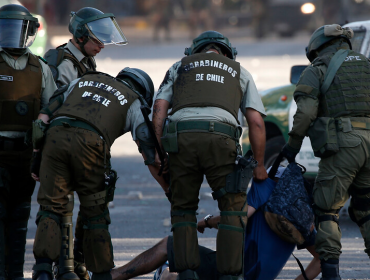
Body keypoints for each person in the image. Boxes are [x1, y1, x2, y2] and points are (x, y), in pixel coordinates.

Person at [31, 68, 169, 280]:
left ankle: (42, 271)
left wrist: (36, 159)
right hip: (90, 143)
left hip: (55, 137)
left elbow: (43, 118)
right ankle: (101, 275)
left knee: (51, 207)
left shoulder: (84, 81)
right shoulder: (134, 101)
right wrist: (169, 190)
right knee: (95, 214)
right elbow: (151, 156)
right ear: (144, 93)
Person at [152, 30, 268, 280]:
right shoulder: (238, 71)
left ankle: (186, 274)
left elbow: (159, 108)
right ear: (227, 53)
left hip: (181, 139)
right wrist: (258, 165)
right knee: (232, 209)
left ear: (195, 52)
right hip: (222, 139)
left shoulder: (178, 67)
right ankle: (229, 276)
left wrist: (161, 151)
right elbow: (256, 123)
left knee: (182, 208)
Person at [108, 167, 321, 280]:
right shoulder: (303, 216)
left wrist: (208, 222)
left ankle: (114, 276)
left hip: (230, 270)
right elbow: (322, 258)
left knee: (170, 248)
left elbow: (237, 216)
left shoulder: (267, 187)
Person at [43, 7, 128, 279]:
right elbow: (54, 106)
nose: (102, 45)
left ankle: (77, 263)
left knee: (90, 202)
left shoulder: (85, 60)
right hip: (58, 139)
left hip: (75, 139)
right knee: (60, 206)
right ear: (80, 37)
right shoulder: (60, 62)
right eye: (96, 39)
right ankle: (61, 267)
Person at [281, 24, 370, 280]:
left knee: (327, 209)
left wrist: (292, 146)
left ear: (317, 47)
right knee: (366, 208)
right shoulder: (366, 64)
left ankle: (331, 275)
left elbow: (306, 113)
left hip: (344, 145)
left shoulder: (317, 69)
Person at [0, 4, 58, 280]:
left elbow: (52, 109)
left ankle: (14, 274)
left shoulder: (41, 68)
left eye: (18, 30)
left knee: (20, 217)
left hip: (26, 154)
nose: (12, 36)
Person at [44, 7, 128, 88]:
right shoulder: (66, 66)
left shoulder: (86, 58)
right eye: (97, 41)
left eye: (103, 41)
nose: (102, 46)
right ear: (81, 38)